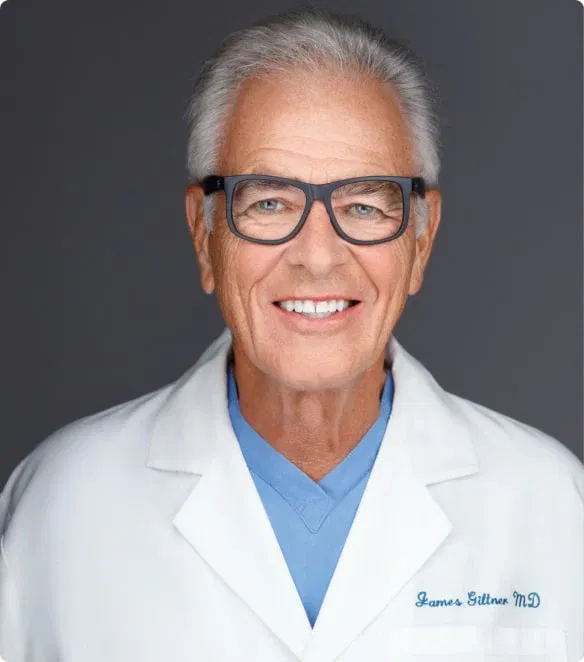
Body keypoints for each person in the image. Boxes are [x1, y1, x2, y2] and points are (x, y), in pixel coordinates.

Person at [1, 7, 582, 662]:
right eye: (269, 201)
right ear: (204, 234)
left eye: (364, 204)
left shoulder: (550, 504)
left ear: (421, 239)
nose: (317, 256)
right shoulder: (62, 502)